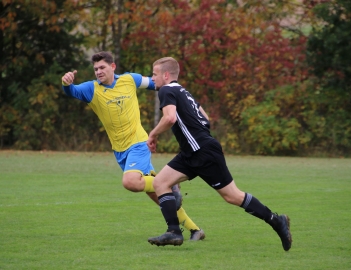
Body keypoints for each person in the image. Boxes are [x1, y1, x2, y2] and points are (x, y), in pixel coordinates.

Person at [146, 57, 292, 251]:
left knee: (232, 196)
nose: (152, 78)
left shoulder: (166, 90)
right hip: (192, 152)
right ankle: (174, 232)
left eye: (154, 74)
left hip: (203, 151)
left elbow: (170, 117)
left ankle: (277, 220)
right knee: (160, 182)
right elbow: (205, 118)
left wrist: (153, 134)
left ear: (165, 75)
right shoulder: (184, 92)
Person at [61, 51, 205, 241]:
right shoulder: (91, 89)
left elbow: (160, 84)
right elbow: (72, 91)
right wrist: (66, 83)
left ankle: (169, 183)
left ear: (113, 67)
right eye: (95, 69)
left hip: (138, 143)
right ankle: (195, 230)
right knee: (157, 194)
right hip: (120, 151)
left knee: (130, 182)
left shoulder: (130, 79)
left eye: (102, 67)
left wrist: (185, 99)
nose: (98, 71)